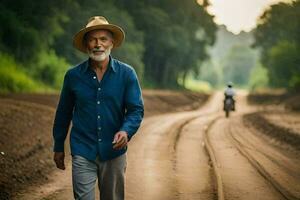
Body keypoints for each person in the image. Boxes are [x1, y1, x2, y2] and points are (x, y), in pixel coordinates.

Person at [52, 16, 144, 200]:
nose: (98, 44)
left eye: (103, 39)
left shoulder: (127, 74)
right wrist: (58, 145)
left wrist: (126, 131)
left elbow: (136, 110)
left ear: (112, 43)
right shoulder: (73, 76)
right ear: (86, 44)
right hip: (82, 149)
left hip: (114, 151)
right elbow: (63, 112)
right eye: (93, 39)